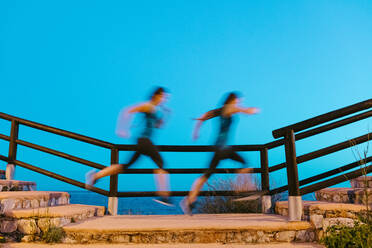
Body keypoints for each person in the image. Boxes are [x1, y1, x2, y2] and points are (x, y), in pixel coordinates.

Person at [85, 87, 173, 206]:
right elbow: (127, 111)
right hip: (144, 141)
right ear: (156, 95)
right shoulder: (147, 105)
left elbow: (157, 126)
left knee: (125, 167)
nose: (165, 99)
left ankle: (96, 175)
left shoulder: (154, 109)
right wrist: (122, 129)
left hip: (143, 142)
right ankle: (164, 196)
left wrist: (165, 116)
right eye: (164, 96)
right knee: (161, 164)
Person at [180, 92, 260, 215]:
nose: (239, 102)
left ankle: (189, 199)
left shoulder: (220, 110)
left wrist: (196, 130)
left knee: (206, 174)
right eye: (238, 100)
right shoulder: (230, 108)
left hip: (218, 147)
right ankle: (244, 190)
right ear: (233, 100)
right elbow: (238, 109)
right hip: (224, 148)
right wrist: (250, 110)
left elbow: (205, 116)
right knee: (245, 164)